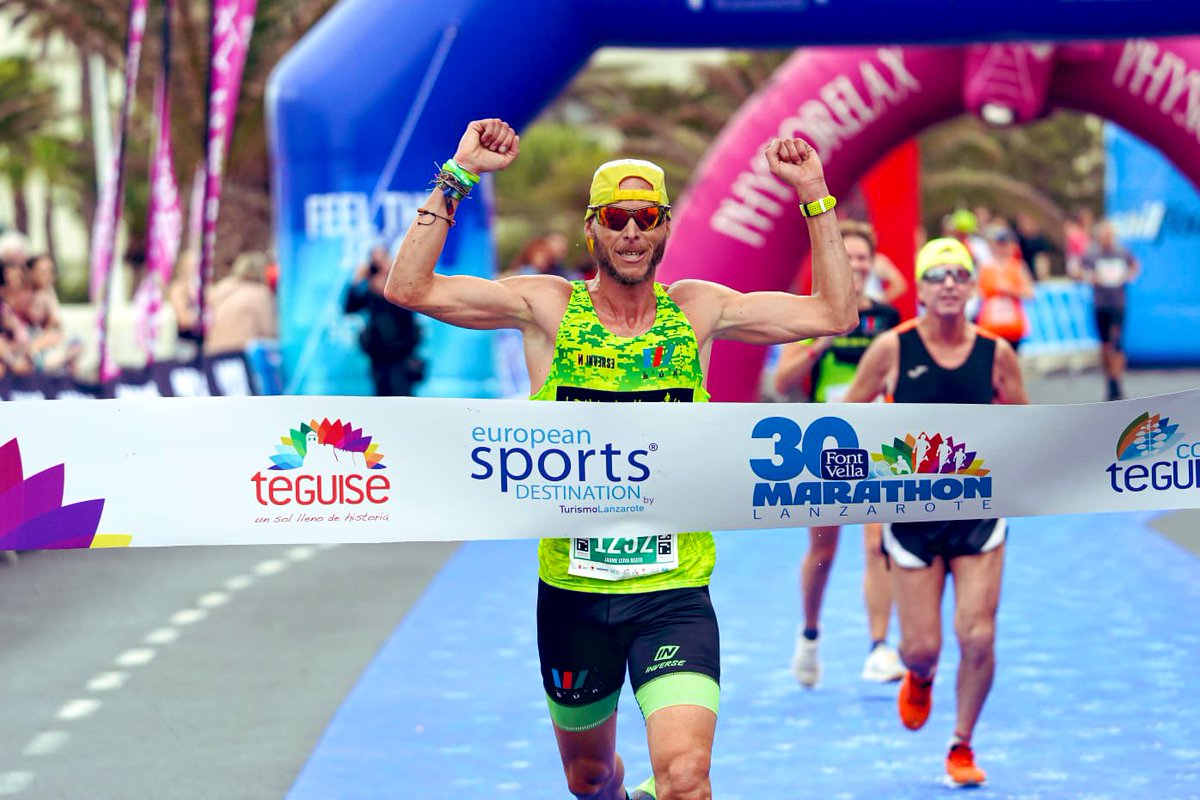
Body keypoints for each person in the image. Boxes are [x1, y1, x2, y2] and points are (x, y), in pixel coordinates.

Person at [385, 118, 856, 800]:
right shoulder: (548, 307)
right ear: (593, 230)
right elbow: (409, 289)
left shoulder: (696, 311)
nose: (632, 233)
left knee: (687, 778)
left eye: (646, 218)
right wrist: (459, 173)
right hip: (576, 596)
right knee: (591, 777)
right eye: (616, 218)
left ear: (664, 228)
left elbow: (835, 313)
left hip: (672, 592)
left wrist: (813, 191)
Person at [842, 237, 1028, 788]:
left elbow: (1028, 429)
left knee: (977, 636)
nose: (948, 283)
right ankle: (919, 677)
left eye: (958, 274)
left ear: (972, 287)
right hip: (911, 519)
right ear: (919, 290)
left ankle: (961, 744)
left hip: (979, 515)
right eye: (936, 275)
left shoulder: (997, 354)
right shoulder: (893, 349)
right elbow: (847, 418)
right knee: (920, 648)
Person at [773, 220, 904, 688]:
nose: (858, 265)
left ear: (873, 265)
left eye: (864, 258)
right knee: (823, 550)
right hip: (822, 445)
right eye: (848, 257)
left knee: (877, 541)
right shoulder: (813, 317)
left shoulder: (887, 319)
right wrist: (818, 345)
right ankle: (809, 635)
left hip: (877, 445)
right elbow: (780, 383)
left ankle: (879, 647)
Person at [344, 245, 422, 396]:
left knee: (402, 397)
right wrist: (356, 281)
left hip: (401, 356)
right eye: (375, 263)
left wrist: (388, 285)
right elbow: (349, 308)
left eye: (382, 261)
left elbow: (409, 312)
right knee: (381, 398)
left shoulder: (400, 287)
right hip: (378, 355)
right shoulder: (369, 291)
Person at [1079, 220, 1138, 401]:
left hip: (1117, 304)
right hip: (1100, 304)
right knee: (1105, 344)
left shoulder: (1122, 252)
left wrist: (1128, 276)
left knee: (1116, 342)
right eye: (1103, 236)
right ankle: (1109, 379)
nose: (1106, 240)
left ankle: (1117, 378)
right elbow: (1079, 269)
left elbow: (1135, 266)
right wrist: (1090, 277)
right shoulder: (1092, 253)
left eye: (1109, 236)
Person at [203, 251, 278, 356]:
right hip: (240, 354)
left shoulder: (223, 288)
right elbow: (269, 331)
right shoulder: (260, 293)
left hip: (213, 352)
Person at [976, 227, 1035, 352]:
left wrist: (1010, 290)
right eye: (998, 245)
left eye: (1004, 245)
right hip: (990, 326)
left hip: (1012, 327)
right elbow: (976, 293)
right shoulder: (985, 268)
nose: (1001, 249)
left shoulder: (1018, 266)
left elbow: (1030, 293)